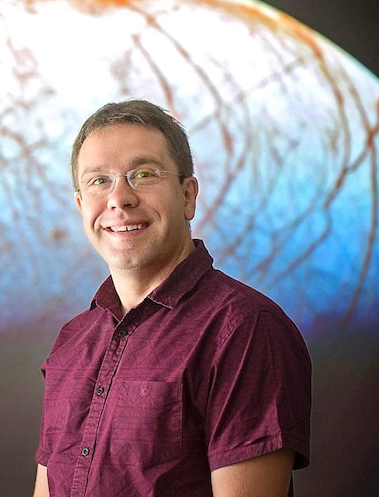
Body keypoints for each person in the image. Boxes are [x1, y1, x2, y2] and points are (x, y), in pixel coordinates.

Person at [32, 99, 311, 497]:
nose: (120, 199)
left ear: (187, 196)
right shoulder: (72, 342)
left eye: (143, 174)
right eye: (99, 181)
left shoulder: (246, 331)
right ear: (80, 206)